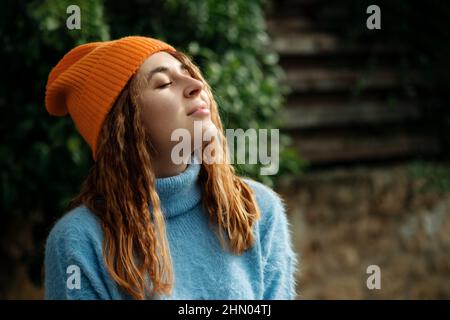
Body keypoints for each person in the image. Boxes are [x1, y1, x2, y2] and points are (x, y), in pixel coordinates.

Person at [44, 35, 298, 300]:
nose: (197, 84)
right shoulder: (79, 241)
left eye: (189, 73)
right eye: (164, 83)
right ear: (123, 125)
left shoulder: (255, 209)